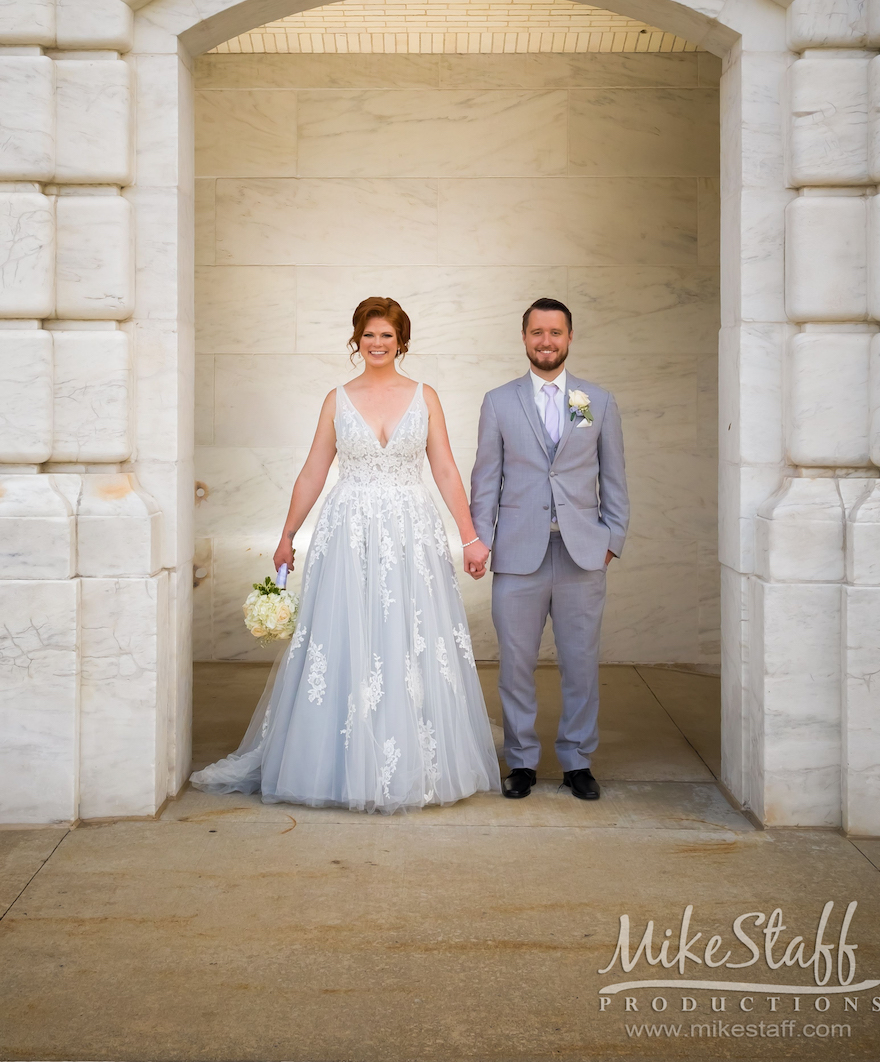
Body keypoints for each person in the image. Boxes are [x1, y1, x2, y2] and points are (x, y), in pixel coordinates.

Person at [191, 296, 500, 813]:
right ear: (355, 340)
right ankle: (337, 762)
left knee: (407, 636)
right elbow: (314, 469)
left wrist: (469, 536)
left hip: (409, 532)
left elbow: (445, 468)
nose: (377, 343)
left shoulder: (426, 396)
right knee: (345, 637)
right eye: (368, 334)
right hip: (347, 531)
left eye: (387, 335)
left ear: (402, 341)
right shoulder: (337, 398)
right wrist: (288, 533)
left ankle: (411, 763)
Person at [469, 297, 629, 802]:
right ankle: (520, 762)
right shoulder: (499, 402)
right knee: (516, 664)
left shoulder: (596, 402)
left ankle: (577, 760)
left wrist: (612, 540)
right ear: (524, 338)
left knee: (580, 663)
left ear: (569, 337)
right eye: (537, 332)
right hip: (518, 554)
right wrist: (481, 539)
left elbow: (614, 477)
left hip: (582, 553)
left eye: (555, 332)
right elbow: (485, 479)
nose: (546, 341)